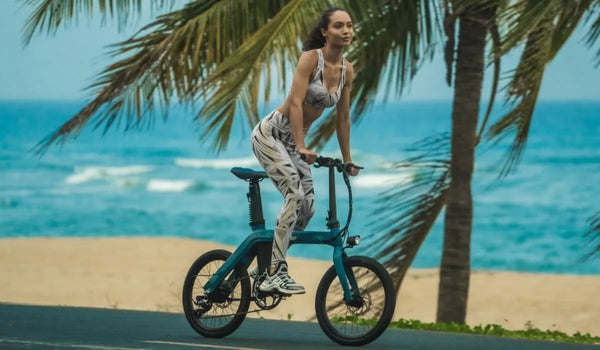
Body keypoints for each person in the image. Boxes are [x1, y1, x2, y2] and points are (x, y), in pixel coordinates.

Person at [251, 7, 360, 295]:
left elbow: (343, 117)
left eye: (349, 25)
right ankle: (274, 272)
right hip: (272, 134)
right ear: (325, 32)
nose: (346, 30)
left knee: (309, 207)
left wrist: (347, 160)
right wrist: (300, 145)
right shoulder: (311, 59)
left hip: (295, 141)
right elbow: (296, 103)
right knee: (294, 194)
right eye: (339, 26)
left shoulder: (347, 70)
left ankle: (267, 263)